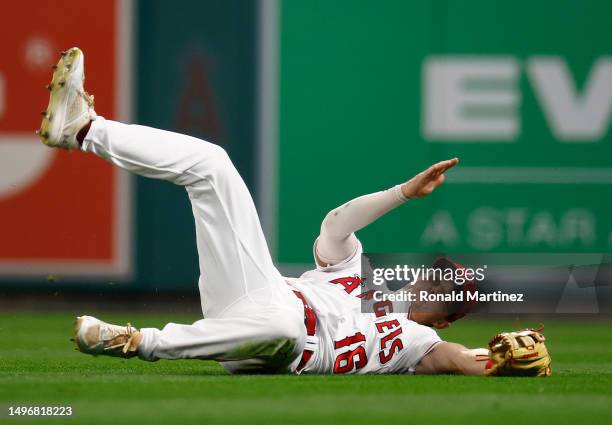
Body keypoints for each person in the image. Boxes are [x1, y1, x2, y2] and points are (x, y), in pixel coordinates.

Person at [40, 48, 550, 376]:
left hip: (284, 347)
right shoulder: (360, 277)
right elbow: (336, 226)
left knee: (283, 327)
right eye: (440, 275)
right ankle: (83, 129)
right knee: (213, 165)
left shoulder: (419, 341)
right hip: (252, 294)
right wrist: (402, 193)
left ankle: (134, 341)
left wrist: (498, 363)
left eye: (449, 290)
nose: (435, 283)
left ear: (450, 315)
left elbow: (464, 361)